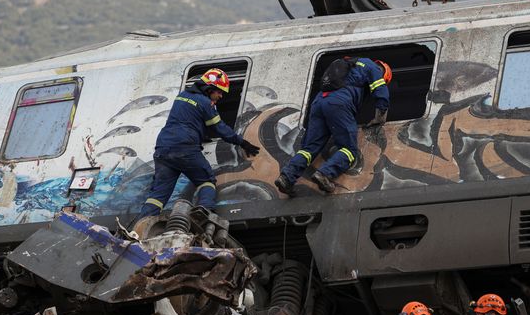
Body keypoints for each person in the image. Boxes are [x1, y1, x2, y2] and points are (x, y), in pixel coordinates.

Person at [138, 68, 260, 218]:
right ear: (209, 89)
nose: (221, 96)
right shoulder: (206, 103)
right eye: (219, 92)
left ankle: (141, 226)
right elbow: (220, 128)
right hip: (185, 148)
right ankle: (204, 213)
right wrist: (242, 142)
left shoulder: (181, 96)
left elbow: (187, 119)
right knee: (206, 181)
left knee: (158, 194)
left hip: (163, 148)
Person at [274, 57, 392, 196]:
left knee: (309, 148)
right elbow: (380, 89)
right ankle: (324, 174)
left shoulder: (349, 66)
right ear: (384, 73)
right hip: (339, 102)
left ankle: (287, 177)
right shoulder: (372, 67)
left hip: (319, 102)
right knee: (349, 149)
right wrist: (380, 117)